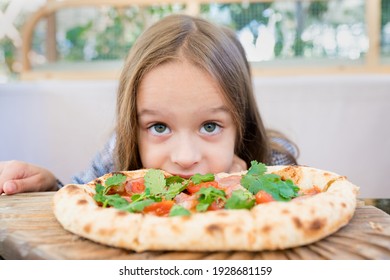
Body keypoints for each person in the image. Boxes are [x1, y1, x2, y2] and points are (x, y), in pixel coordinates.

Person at [0, 14, 298, 195]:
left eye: (210, 126)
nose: (184, 157)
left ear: (240, 125)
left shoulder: (275, 165)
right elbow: (79, 198)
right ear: (133, 123)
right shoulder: (117, 156)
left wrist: (248, 191)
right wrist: (51, 188)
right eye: (159, 127)